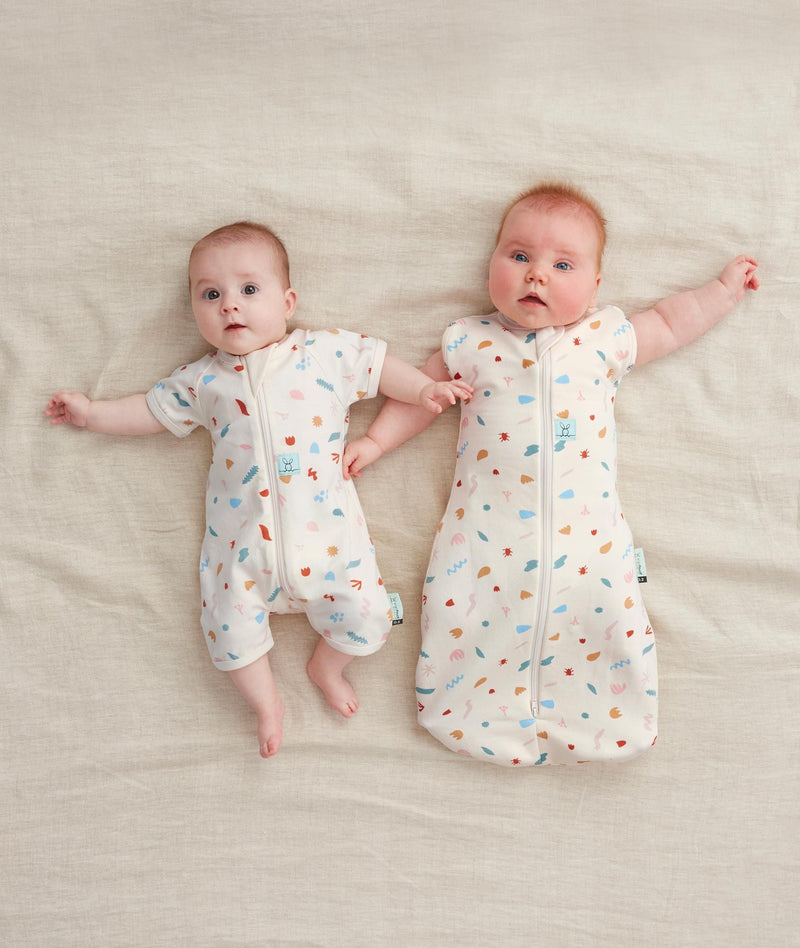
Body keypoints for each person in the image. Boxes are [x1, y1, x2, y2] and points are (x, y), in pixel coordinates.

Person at [344, 182, 759, 767]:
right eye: (519, 256)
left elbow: (670, 323)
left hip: (589, 542)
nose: (536, 274)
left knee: (605, 616)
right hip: (486, 535)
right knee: (466, 612)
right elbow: (422, 396)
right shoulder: (471, 342)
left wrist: (722, 291)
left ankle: (608, 718)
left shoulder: (603, 338)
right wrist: (375, 440)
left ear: (595, 286)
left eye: (563, 265)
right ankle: (464, 710)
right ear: (491, 263)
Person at [46, 221, 472, 759]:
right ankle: (267, 705)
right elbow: (148, 411)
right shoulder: (204, 380)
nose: (229, 304)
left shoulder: (323, 353)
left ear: (287, 302)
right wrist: (92, 414)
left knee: (371, 617)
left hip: (329, 548)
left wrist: (424, 387)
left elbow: (380, 367)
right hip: (241, 554)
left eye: (249, 289)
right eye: (210, 294)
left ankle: (327, 666)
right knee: (226, 632)